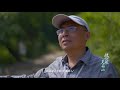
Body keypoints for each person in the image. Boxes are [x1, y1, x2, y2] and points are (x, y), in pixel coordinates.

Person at [0, 14, 118, 78]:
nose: (64, 33)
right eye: (61, 30)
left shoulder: (104, 67)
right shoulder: (54, 66)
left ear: (87, 35)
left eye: (71, 28)